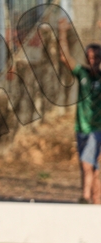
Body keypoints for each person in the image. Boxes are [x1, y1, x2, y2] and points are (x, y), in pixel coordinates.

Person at [59, 18, 101, 204]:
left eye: (96, 58)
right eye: (90, 57)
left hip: (97, 128)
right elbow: (64, 57)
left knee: (88, 164)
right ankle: (94, 202)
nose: (92, 61)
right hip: (81, 127)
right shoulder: (82, 73)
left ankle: (85, 197)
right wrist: (62, 32)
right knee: (90, 167)